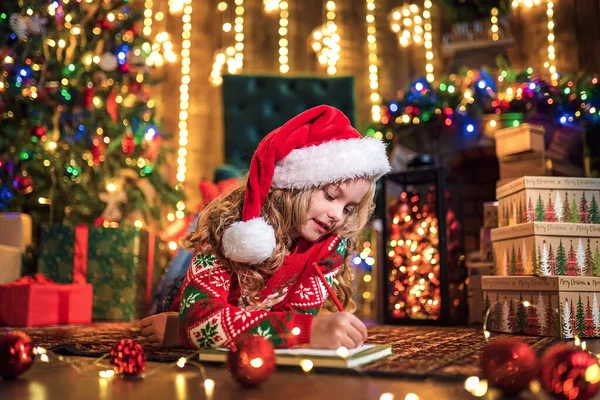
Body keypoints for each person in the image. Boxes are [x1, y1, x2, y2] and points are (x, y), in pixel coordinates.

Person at [141, 105, 390, 350]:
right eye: (330, 195)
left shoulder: (332, 244)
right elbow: (201, 321)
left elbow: (293, 320)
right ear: (298, 183)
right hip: (186, 299)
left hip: (239, 330)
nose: (337, 215)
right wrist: (306, 331)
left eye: (349, 208)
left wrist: (205, 332)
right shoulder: (226, 224)